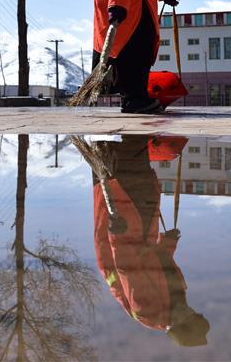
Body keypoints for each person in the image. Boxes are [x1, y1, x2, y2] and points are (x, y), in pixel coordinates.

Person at [87, 135, 210, 347]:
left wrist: (117, 234)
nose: (191, 310)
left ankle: (128, 115)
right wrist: (169, 243)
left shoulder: (149, 312)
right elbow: (159, 265)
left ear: (178, 324)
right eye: (195, 313)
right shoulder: (179, 299)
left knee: (119, 168)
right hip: (140, 234)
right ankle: (130, 119)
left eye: (191, 316)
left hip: (122, 237)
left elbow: (127, 269)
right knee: (136, 164)